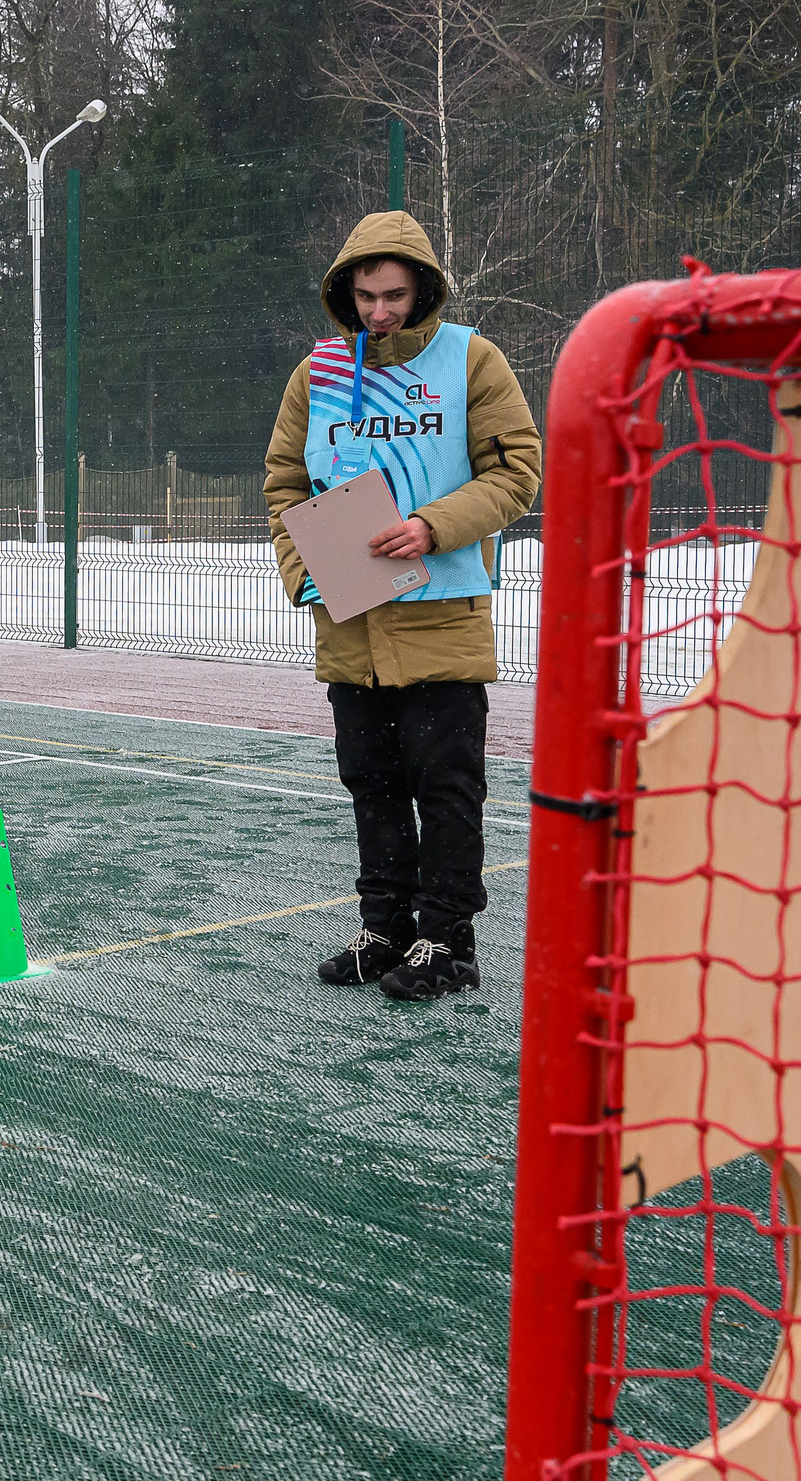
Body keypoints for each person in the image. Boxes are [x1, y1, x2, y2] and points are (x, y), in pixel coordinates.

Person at [263, 211, 540, 1001]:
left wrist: (431, 526)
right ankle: (384, 930)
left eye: (392, 294)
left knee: (446, 787)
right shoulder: (316, 373)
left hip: (441, 616)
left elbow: (519, 470)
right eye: (363, 296)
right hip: (350, 620)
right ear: (345, 294)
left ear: (423, 288)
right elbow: (284, 482)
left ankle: (448, 941)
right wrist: (303, 569)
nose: (378, 311)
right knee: (372, 782)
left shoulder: (471, 360)